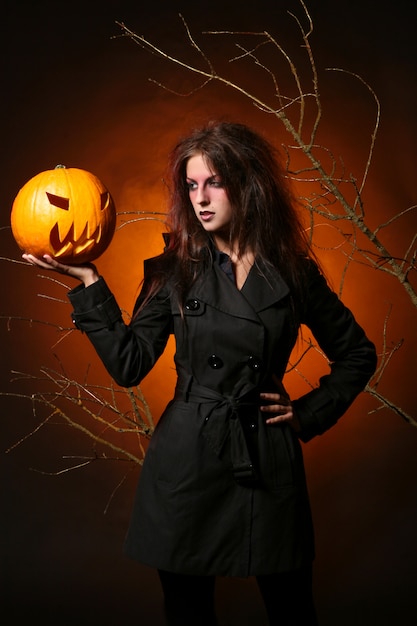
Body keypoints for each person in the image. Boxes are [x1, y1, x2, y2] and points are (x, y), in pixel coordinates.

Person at [23, 121, 377, 626]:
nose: (201, 199)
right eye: (191, 185)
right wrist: (89, 283)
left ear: (248, 184)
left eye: (214, 182)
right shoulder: (174, 270)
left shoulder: (293, 272)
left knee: (293, 609)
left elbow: (357, 353)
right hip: (188, 460)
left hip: (266, 457)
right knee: (188, 613)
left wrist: (307, 413)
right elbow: (129, 364)